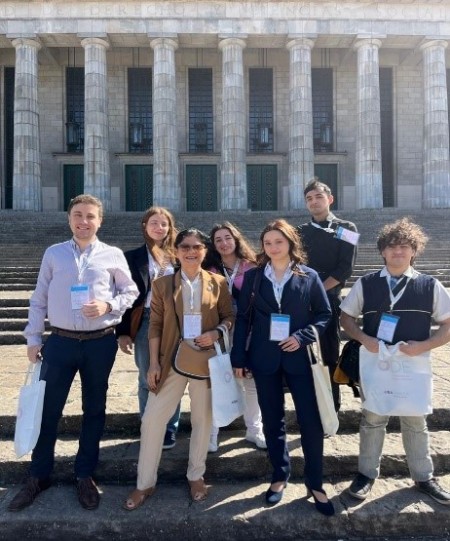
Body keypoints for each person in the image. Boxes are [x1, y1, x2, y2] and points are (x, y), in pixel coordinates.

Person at [8, 194, 139, 513]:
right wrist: (33, 337)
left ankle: (85, 475)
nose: (84, 221)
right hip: (61, 342)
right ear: (69, 219)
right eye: (78, 215)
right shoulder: (54, 254)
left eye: (90, 216)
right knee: (47, 410)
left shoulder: (112, 254)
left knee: (94, 408)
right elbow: (38, 298)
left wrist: (108, 306)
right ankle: (39, 475)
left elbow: (131, 291)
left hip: (100, 342)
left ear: (100, 221)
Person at [340, 217, 450, 505]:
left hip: (413, 365)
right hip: (378, 362)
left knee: (416, 421)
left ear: (414, 251)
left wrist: (426, 345)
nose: (397, 252)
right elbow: (346, 317)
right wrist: (364, 339)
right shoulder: (366, 284)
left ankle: (423, 477)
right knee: (373, 419)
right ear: (382, 252)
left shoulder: (430, 285)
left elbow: (448, 324)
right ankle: (366, 475)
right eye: (391, 247)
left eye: (404, 247)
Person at [123, 228, 234, 510]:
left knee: (202, 420)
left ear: (204, 251)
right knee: (152, 420)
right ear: (176, 251)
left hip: (204, 361)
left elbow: (229, 317)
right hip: (172, 360)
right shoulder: (163, 285)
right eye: (185, 246)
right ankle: (144, 483)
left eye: (196, 246)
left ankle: (196, 476)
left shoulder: (218, 282)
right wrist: (154, 364)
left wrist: (217, 332)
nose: (190, 251)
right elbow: (155, 327)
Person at [231, 219, 334, 515]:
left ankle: (315, 481)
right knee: (273, 419)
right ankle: (280, 475)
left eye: (278, 241)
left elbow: (324, 314)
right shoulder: (253, 277)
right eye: (267, 243)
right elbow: (243, 320)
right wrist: (239, 357)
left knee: (309, 420)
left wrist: (302, 337)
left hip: (298, 357)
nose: (273, 247)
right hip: (264, 357)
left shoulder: (308, 276)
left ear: (290, 243)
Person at [116, 206, 181, 449]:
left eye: (163, 223)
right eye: (154, 223)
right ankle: (150, 425)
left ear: (169, 228)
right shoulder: (131, 257)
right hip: (144, 318)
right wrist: (122, 332)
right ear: (145, 226)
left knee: (173, 375)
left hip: (175, 321)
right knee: (148, 376)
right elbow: (123, 295)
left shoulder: (180, 255)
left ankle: (170, 427)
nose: (159, 227)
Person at [203, 221, 266, 452]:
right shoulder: (209, 269)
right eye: (218, 239)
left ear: (236, 239)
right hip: (219, 330)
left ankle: (254, 429)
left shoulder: (252, 266)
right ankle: (212, 433)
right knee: (216, 382)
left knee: (251, 383)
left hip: (248, 330)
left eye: (227, 237)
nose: (224, 243)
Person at [298, 178, 358, 411]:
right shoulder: (300, 232)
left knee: (329, 351)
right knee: (302, 352)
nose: (314, 202)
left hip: (329, 300)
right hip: (302, 301)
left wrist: (318, 290)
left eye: (318, 197)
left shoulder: (346, 229)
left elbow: (345, 268)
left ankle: (331, 406)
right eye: (309, 199)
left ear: (330, 199)